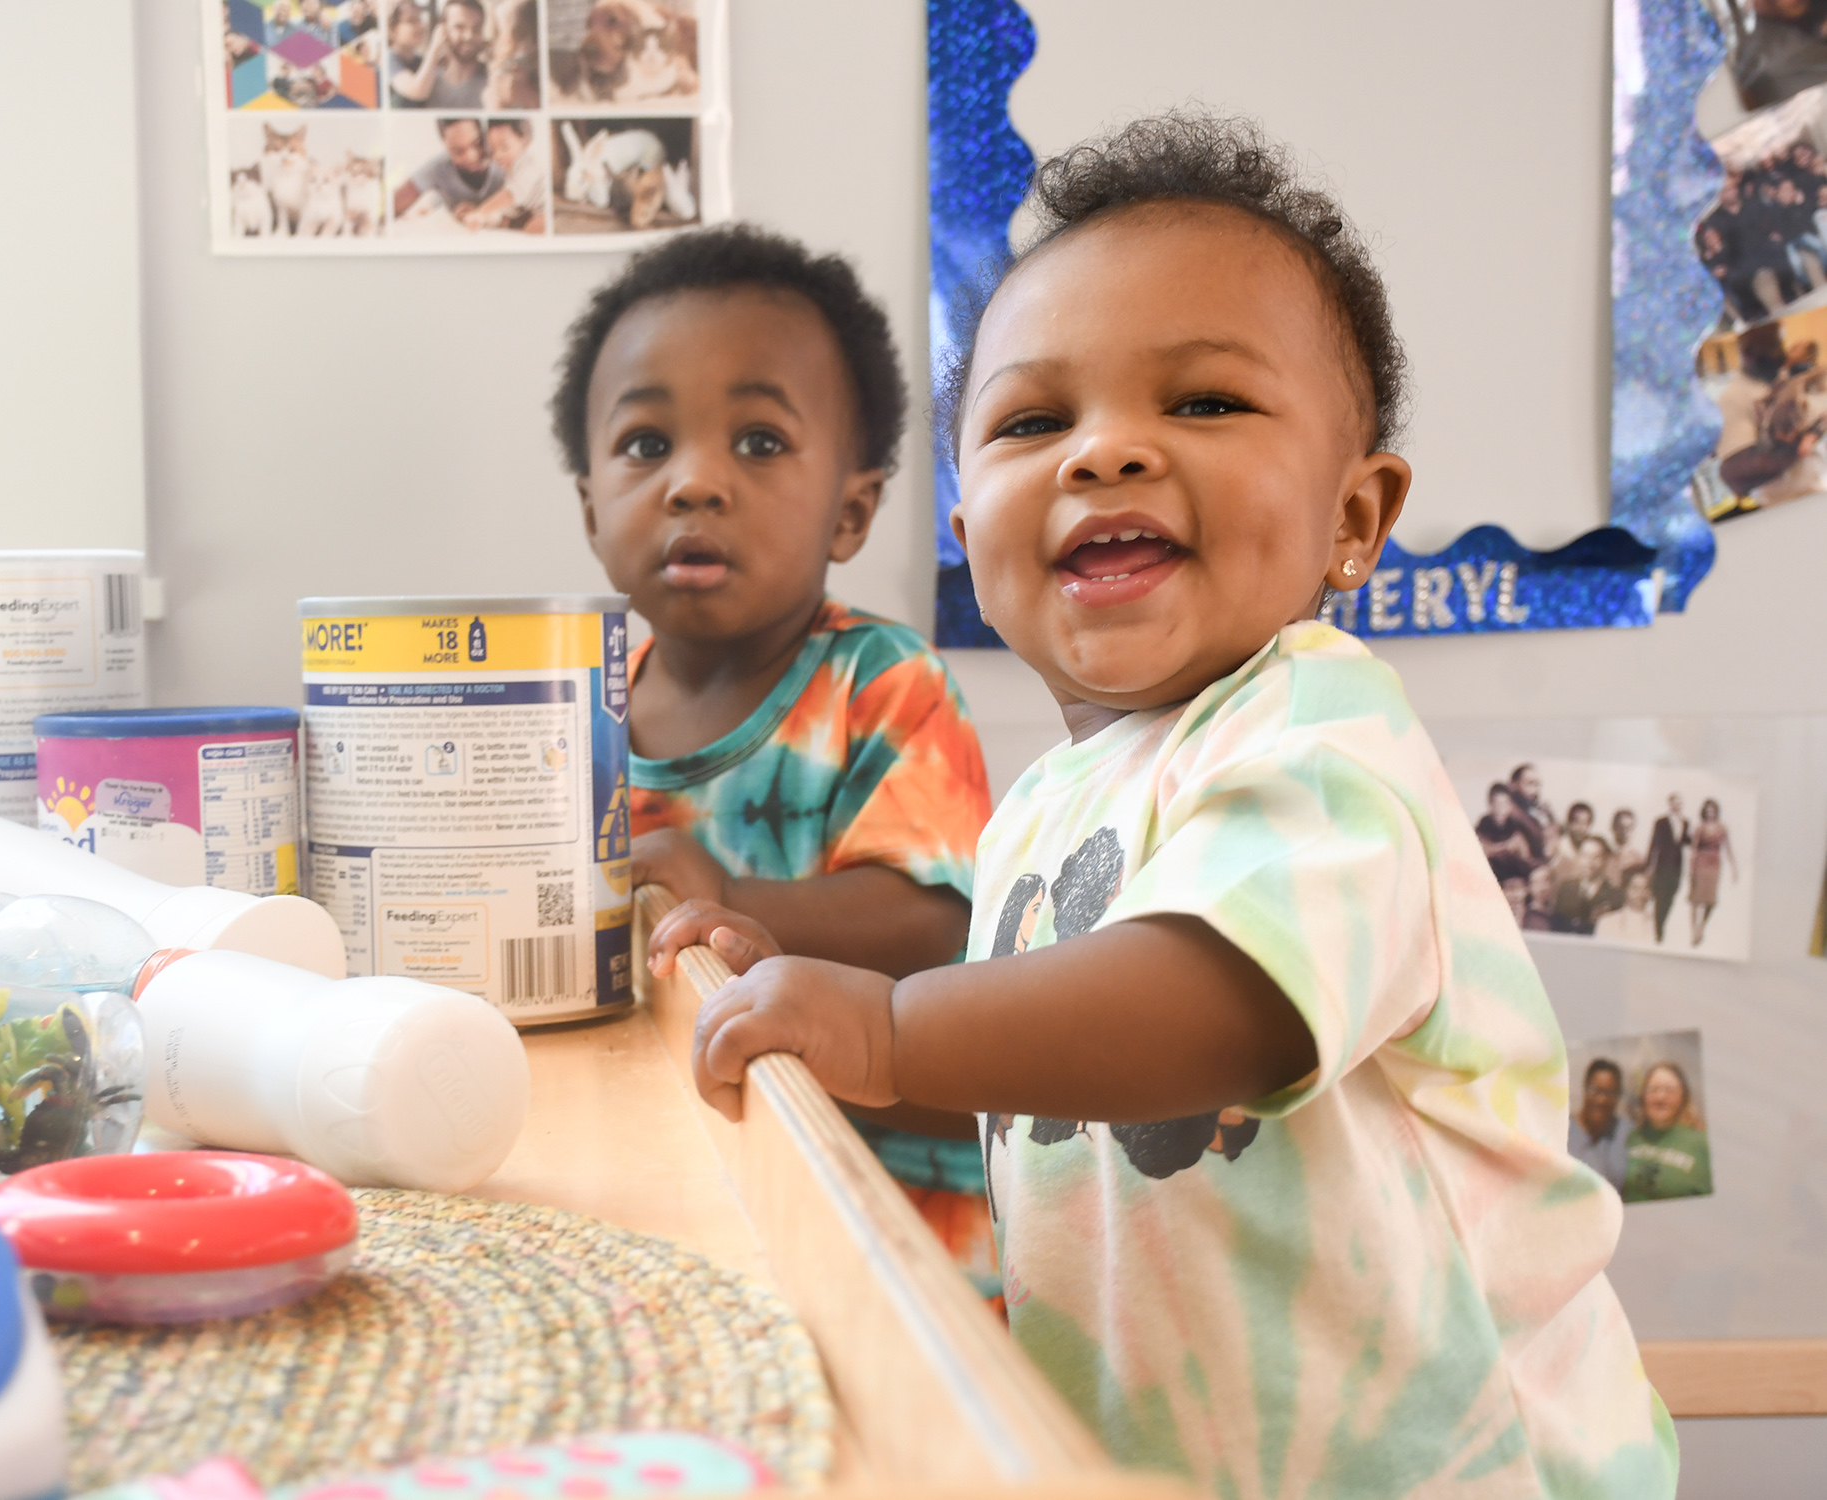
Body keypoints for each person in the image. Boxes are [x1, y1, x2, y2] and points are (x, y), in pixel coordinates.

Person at [648, 114, 1675, 1495]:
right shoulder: (1049, 805)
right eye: (1032, 421)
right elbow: (1059, 1105)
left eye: (1202, 403)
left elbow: (1207, 1008)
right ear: (968, 536)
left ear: (1354, 520)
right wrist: (810, 988)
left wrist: (885, 1026)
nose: (1105, 452)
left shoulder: (1321, 736)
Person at [554, 226, 998, 1292]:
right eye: (646, 445)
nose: (694, 483)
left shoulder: (883, 685)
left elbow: (935, 914)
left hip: (895, 1207)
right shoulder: (581, 709)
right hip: (688, 1174)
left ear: (851, 510)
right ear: (590, 510)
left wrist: (731, 895)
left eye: (758, 442)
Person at [1624, 1061, 1713, 1202]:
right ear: (1643, 1097)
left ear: (1683, 1096)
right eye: (1653, 1090)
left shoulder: (1702, 1143)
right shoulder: (1631, 1138)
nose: (1660, 1098)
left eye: (1669, 1090)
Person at [392, 117, 503, 222]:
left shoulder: (505, 159)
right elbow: (391, 207)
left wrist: (482, 213)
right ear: (446, 148)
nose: (471, 157)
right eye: (458, 151)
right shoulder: (438, 167)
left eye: (478, 143)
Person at [389, 0, 489, 108]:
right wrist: (435, 48)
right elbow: (418, 90)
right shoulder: (392, 59)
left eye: (477, 28)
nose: (469, 35)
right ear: (442, 30)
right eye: (459, 27)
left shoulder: (493, 80)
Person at [1568, 1058, 1630, 1193]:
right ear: (1584, 1088)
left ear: (1618, 1096)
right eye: (1594, 1090)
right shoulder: (1564, 1134)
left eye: (1609, 1092)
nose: (1601, 1100)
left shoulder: (1626, 1132)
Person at [1689, 797, 1739, 948]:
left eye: (1713, 810)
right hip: (1700, 863)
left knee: (1710, 900)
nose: (1710, 813)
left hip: (1714, 865)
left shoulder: (1722, 828)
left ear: (1717, 812)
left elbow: (1728, 848)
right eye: (1708, 810)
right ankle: (1693, 931)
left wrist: (1734, 868)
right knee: (1695, 899)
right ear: (1704, 812)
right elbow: (1694, 849)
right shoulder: (1699, 828)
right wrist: (1691, 870)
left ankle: (1702, 927)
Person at [1648, 792, 1691, 942]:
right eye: (1675, 803)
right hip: (1662, 865)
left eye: (1680, 803)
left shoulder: (1685, 822)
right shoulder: (1661, 821)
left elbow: (1686, 841)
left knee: (1671, 896)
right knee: (1660, 897)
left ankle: (1661, 923)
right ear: (1670, 804)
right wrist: (1650, 865)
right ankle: (1658, 928)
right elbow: (1654, 844)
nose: (1678, 806)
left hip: (1677, 867)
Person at [1475, 781, 1536, 882]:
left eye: (1505, 804)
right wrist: (1506, 846)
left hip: (1513, 873)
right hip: (1492, 874)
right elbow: (1482, 851)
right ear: (1490, 804)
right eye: (1498, 803)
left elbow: (1525, 854)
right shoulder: (1483, 825)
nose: (1501, 808)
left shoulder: (1515, 825)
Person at [1594, 868, 1659, 946]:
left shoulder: (1656, 924)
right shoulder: (1607, 922)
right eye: (1635, 888)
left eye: (1645, 888)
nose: (1641, 893)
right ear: (1625, 890)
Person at [1610, 806, 1646, 883]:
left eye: (1629, 828)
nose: (1625, 832)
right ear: (1613, 827)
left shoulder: (1638, 859)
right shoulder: (1605, 855)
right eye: (1621, 827)